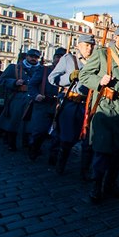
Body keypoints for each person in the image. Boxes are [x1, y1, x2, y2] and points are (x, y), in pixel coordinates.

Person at [79, 24, 119, 204]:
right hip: (105, 108)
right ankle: (96, 186)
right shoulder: (103, 54)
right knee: (102, 151)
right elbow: (84, 75)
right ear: (116, 38)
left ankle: (111, 184)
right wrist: (99, 80)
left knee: (118, 152)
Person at [48, 35, 96, 176]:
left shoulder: (96, 61)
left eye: (92, 45)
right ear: (79, 46)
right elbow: (52, 78)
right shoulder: (68, 59)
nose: (89, 48)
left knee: (88, 141)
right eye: (86, 45)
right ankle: (60, 166)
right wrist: (68, 78)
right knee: (67, 139)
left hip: (88, 105)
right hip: (71, 104)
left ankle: (84, 172)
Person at [0, 49, 42, 151]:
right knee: (13, 122)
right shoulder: (15, 67)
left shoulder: (41, 69)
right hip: (18, 97)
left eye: (36, 57)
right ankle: (11, 143)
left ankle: (28, 143)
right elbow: (3, 80)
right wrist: (14, 82)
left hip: (34, 98)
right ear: (27, 57)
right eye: (31, 56)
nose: (34, 59)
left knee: (31, 123)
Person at [27, 48, 65, 161]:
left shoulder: (67, 73)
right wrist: (36, 95)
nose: (59, 60)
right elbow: (32, 85)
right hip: (43, 104)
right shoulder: (44, 70)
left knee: (57, 134)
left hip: (59, 105)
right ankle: (33, 150)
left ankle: (53, 157)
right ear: (53, 58)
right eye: (57, 57)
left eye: (62, 58)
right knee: (39, 131)